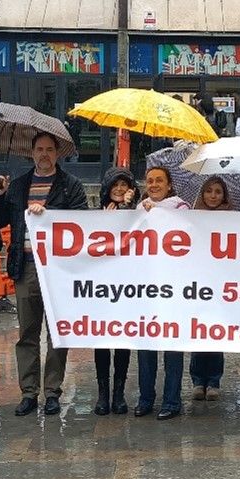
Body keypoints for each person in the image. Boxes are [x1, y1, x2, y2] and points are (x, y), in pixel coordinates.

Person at [0, 132, 89, 417]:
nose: (44, 154)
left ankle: (52, 392)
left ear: (57, 154)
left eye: (49, 149)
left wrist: (49, 214)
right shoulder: (19, 186)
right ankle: (28, 392)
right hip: (26, 265)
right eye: (39, 149)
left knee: (58, 333)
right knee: (27, 333)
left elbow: (82, 222)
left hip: (59, 269)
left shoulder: (71, 186)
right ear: (31, 152)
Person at [136, 167, 190, 419]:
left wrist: (156, 215)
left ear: (169, 185)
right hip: (145, 287)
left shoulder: (181, 207)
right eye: (150, 181)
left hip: (174, 287)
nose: (154, 185)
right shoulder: (139, 209)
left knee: (172, 346)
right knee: (145, 346)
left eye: (159, 181)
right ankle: (145, 398)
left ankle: (172, 400)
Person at [94, 167, 139, 415]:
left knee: (122, 340)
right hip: (102, 287)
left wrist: (126, 211)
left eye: (125, 185)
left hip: (128, 286)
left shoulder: (138, 212)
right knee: (101, 340)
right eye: (115, 185)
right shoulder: (95, 215)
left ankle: (119, 393)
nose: (120, 190)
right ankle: (102, 393)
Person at [189, 176, 232, 399]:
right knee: (198, 331)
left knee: (216, 331)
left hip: (222, 284)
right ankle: (197, 380)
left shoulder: (233, 219)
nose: (213, 196)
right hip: (198, 282)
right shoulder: (191, 217)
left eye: (218, 191)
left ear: (224, 195)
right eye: (208, 191)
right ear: (202, 194)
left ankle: (214, 380)